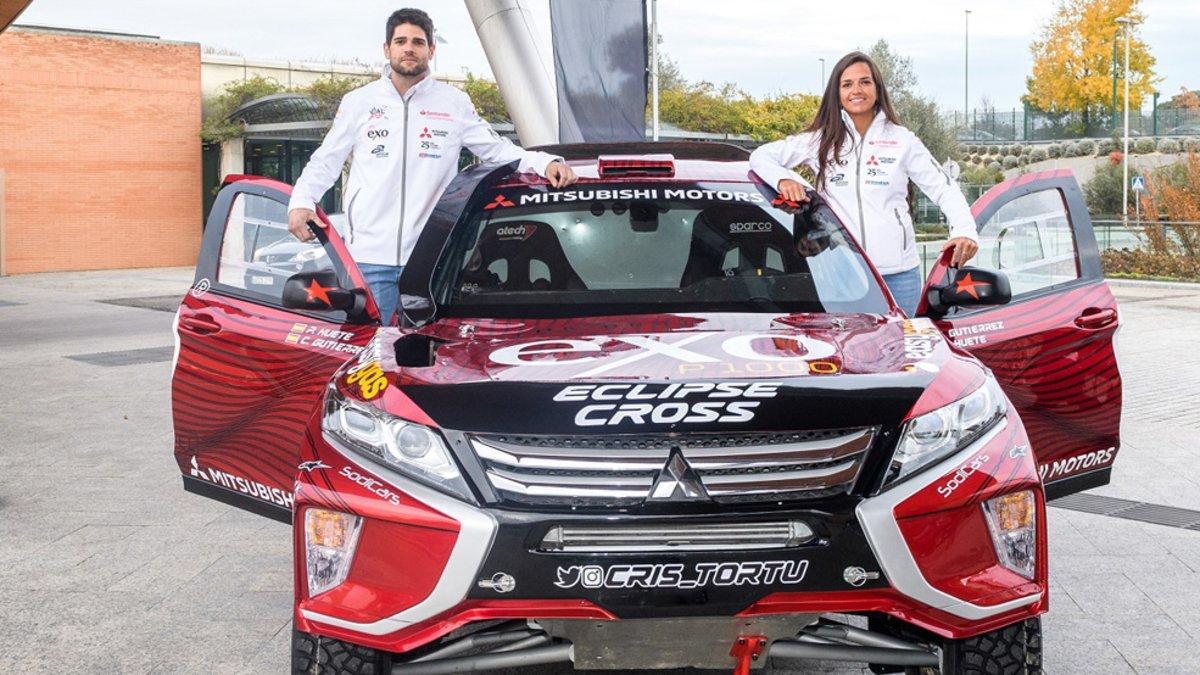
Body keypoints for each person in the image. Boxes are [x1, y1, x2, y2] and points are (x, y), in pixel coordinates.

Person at [287, 8, 577, 324]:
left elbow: (496, 150)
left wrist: (543, 161)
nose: (408, 48)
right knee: (372, 357)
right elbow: (326, 160)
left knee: (426, 356)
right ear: (387, 49)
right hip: (368, 259)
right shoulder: (359, 102)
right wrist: (301, 202)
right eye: (400, 41)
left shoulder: (453, 102)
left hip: (430, 260)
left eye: (418, 42)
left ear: (431, 50)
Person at [749, 51, 978, 315]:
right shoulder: (820, 140)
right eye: (847, 84)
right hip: (841, 275)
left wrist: (964, 230)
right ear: (837, 94)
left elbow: (943, 187)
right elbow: (760, 156)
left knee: (901, 353)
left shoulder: (902, 140)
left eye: (865, 82)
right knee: (845, 353)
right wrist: (784, 179)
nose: (856, 90)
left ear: (878, 89)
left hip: (899, 276)